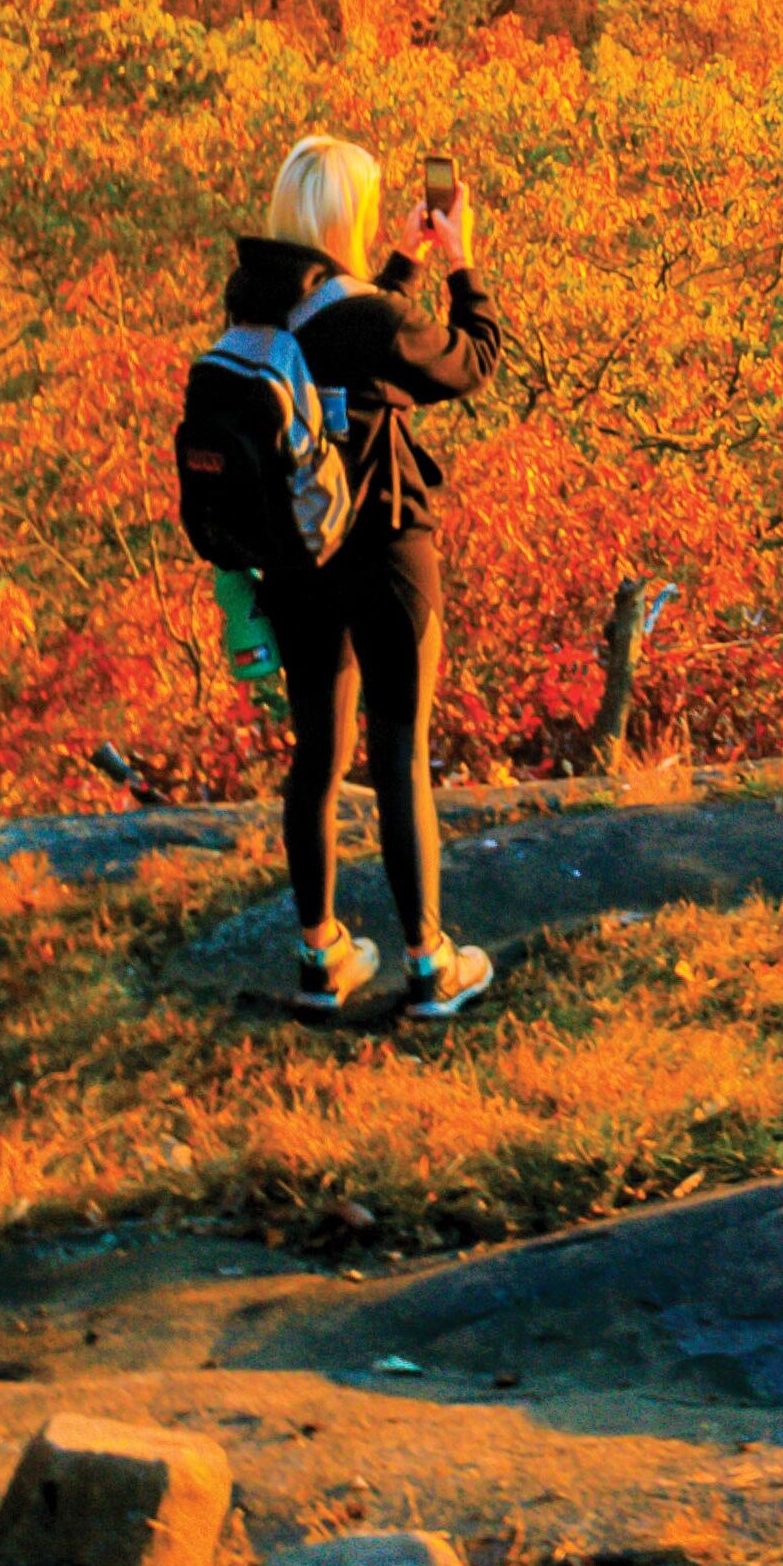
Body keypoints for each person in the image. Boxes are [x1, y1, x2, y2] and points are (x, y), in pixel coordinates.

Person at [221, 130, 506, 1023]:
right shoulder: (369, 323)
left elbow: (343, 332)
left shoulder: (255, 305)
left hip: (298, 560)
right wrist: (460, 265)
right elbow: (470, 362)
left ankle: (322, 958)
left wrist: (401, 266)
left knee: (317, 756)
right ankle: (429, 965)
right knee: (397, 751)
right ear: (348, 216)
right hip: (384, 550)